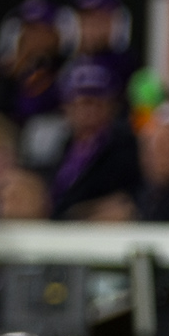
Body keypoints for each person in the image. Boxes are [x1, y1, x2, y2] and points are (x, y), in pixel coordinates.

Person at [46, 61, 141, 220]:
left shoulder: (126, 148)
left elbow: (127, 200)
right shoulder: (62, 146)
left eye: (99, 103)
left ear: (111, 106)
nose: (91, 111)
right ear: (67, 107)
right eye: (85, 103)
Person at [0, 0, 65, 130]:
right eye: (29, 29)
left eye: (42, 29)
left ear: (56, 32)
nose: (35, 37)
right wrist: (14, 72)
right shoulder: (13, 70)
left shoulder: (65, 65)